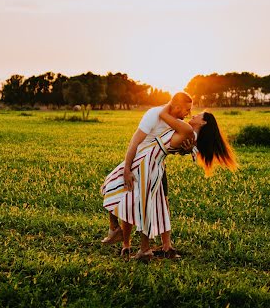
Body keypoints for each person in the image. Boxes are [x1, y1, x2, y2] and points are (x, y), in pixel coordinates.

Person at [100, 101, 237, 261]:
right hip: (148, 161)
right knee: (117, 187)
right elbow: (178, 145)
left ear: (203, 122)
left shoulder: (187, 130)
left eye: (198, 114)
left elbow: (163, 114)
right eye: (189, 110)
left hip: (149, 163)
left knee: (134, 199)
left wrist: (173, 102)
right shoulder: (191, 135)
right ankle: (121, 233)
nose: (193, 113)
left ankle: (142, 248)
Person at [101, 92, 193, 257]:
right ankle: (122, 238)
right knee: (114, 187)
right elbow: (135, 141)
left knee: (153, 203)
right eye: (186, 109)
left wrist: (185, 150)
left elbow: (172, 146)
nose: (188, 114)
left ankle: (156, 247)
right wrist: (127, 169)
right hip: (139, 161)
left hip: (156, 166)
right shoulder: (153, 115)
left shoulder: (177, 122)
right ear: (177, 107)